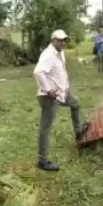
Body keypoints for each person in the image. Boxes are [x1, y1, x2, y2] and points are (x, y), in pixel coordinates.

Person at [33, 29, 89, 171]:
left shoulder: (60, 53)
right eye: (59, 40)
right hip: (50, 97)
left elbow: (60, 72)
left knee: (75, 104)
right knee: (45, 128)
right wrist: (48, 89)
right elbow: (38, 72)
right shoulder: (48, 55)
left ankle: (78, 132)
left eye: (64, 40)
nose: (62, 42)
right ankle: (42, 161)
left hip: (61, 93)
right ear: (53, 40)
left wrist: (65, 87)